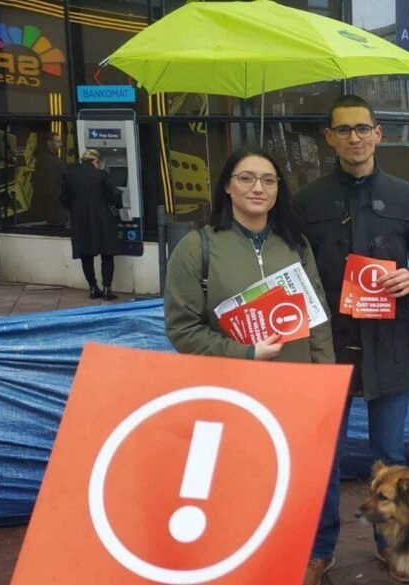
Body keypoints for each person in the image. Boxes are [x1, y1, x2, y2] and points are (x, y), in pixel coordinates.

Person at [162, 146, 338, 584]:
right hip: (230, 392)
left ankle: (304, 557)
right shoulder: (196, 247)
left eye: (268, 179)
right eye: (246, 178)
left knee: (297, 481)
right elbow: (182, 330)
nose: (258, 187)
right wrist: (245, 354)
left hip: (294, 391)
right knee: (240, 486)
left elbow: (316, 319)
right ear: (227, 185)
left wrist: (325, 385)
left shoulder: (294, 244)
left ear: (279, 189)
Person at [295, 95, 409, 583]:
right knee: (322, 457)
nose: (354, 137)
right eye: (343, 129)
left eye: (362, 128)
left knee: (390, 456)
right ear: (329, 138)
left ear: (379, 133)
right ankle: (320, 549)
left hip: (389, 343)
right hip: (327, 347)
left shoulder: (407, 198)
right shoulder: (306, 201)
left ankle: (391, 545)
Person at [60, 148, 122, 300]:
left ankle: (93, 288)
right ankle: (107, 289)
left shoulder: (70, 174)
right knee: (107, 254)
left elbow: (63, 198)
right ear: (96, 161)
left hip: (80, 220)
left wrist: (75, 208)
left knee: (85, 255)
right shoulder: (100, 174)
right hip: (102, 218)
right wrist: (119, 205)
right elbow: (113, 194)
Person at [32, 131, 68, 228]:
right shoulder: (51, 161)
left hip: (51, 202)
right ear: (49, 143)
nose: (61, 144)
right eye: (57, 141)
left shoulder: (44, 159)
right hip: (54, 203)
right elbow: (51, 183)